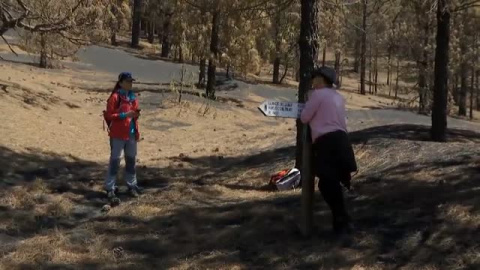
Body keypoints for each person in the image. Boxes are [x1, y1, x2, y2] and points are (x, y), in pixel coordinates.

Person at [300, 66, 357, 235]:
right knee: (334, 182)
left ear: (322, 79)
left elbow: (304, 117)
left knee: (326, 183)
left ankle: (342, 219)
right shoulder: (338, 97)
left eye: (314, 77)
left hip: (327, 141)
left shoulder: (317, 95)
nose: (312, 80)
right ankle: (341, 224)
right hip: (342, 140)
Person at [103, 72, 143, 203]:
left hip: (131, 134)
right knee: (115, 161)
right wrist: (125, 115)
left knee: (131, 160)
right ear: (120, 83)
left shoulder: (133, 98)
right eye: (128, 81)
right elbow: (109, 115)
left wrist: (135, 116)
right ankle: (110, 188)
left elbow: (134, 117)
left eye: (131, 81)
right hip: (118, 134)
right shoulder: (115, 97)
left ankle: (132, 185)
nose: (130, 83)